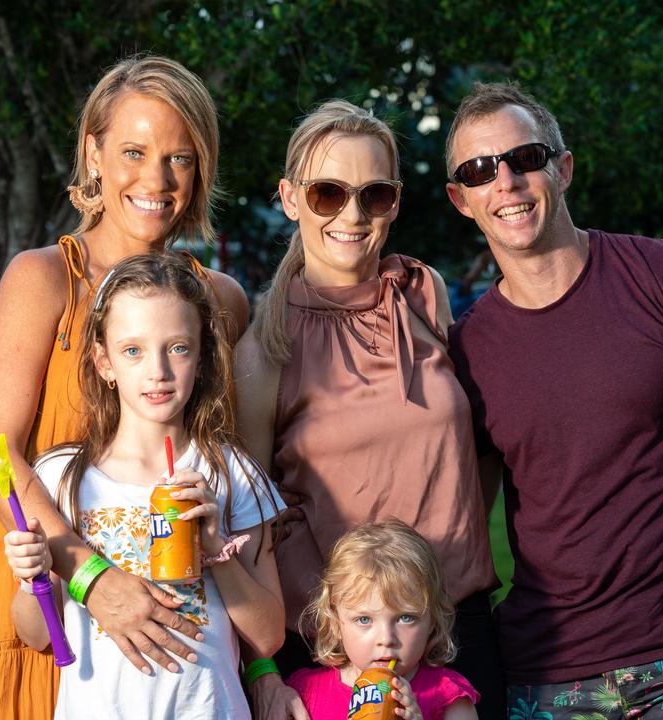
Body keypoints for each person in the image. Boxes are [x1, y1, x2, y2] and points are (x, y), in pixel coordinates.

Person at [443, 82, 663, 719]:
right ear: (461, 199)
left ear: (564, 167)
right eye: (479, 170)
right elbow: (463, 522)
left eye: (526, 158)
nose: (507, 182)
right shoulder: (467, 350)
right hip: (547, 673)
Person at [0, 54, 249, 720]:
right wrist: (92, 579)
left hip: (174, 647)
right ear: (94, 154)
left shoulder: (221, 302)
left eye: (180, 158)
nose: (156, 179)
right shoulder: (43, 278)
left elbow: (230, 470)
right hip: (50, 617)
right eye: (134, 151)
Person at [235, 100, 501, 719]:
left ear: (396, 201)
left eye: (374, 194)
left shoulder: (424, 294)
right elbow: (245, 528)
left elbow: (473, 448)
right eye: (328, 193)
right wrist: (265, 670)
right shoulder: (264, 349)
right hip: (333, 653)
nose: (352, 214)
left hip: (454, 630)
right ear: (290, 197)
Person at [2, 253, 284, 717]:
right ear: (103, 362)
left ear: (202, 357)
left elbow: (269, 635)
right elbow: (37, 636)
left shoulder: (233, 472)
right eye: (132, 350)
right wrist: (36, 577)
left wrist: (216, 549)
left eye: (177, 347)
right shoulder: (59, 476)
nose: (158, 370)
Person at [286, 521, 478, 720]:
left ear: (432, 620)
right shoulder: (306, 693)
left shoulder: (447, 696)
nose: (386, 639)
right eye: (364, 619)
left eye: (405, 618)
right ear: (335, 622)